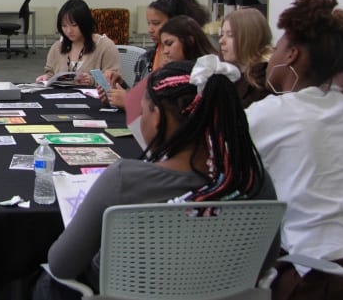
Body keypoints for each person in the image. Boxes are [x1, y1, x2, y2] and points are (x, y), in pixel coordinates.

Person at [38, 57, 277, 298]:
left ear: (158, 117)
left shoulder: (123, 181)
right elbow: (265, 261)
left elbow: (61, 264)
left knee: (45, 283)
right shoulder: (254, 179)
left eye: (142, 111)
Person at [246, 0, 343, 300]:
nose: (271, 57)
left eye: (277, 48)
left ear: (291, 55)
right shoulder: (342, 108)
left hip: (317, 274)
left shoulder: (271, 113)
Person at [102, 0, 209, 108]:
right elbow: (139, 95)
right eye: (149, 23)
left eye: (156, 23)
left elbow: (175, 110)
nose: (150, 29)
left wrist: (129, 101)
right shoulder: (146, 59)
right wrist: (118, 88)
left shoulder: (198, 69)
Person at [36, 0, 120, 86]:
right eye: (64, 26)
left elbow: (114, 81)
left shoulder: (105, 46)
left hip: (93, 94)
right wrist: (46, 78)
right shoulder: (57, 47)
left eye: (74, 25)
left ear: (85, 23)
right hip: (62, 94)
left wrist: (92, 81)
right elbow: (50, 73)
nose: (69, 31)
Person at [219, 8, 272, 107]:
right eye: (222, 34)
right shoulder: (232, 73)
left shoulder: (262, 80)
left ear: (251, 37)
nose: (221, 41)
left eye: (230, 35)